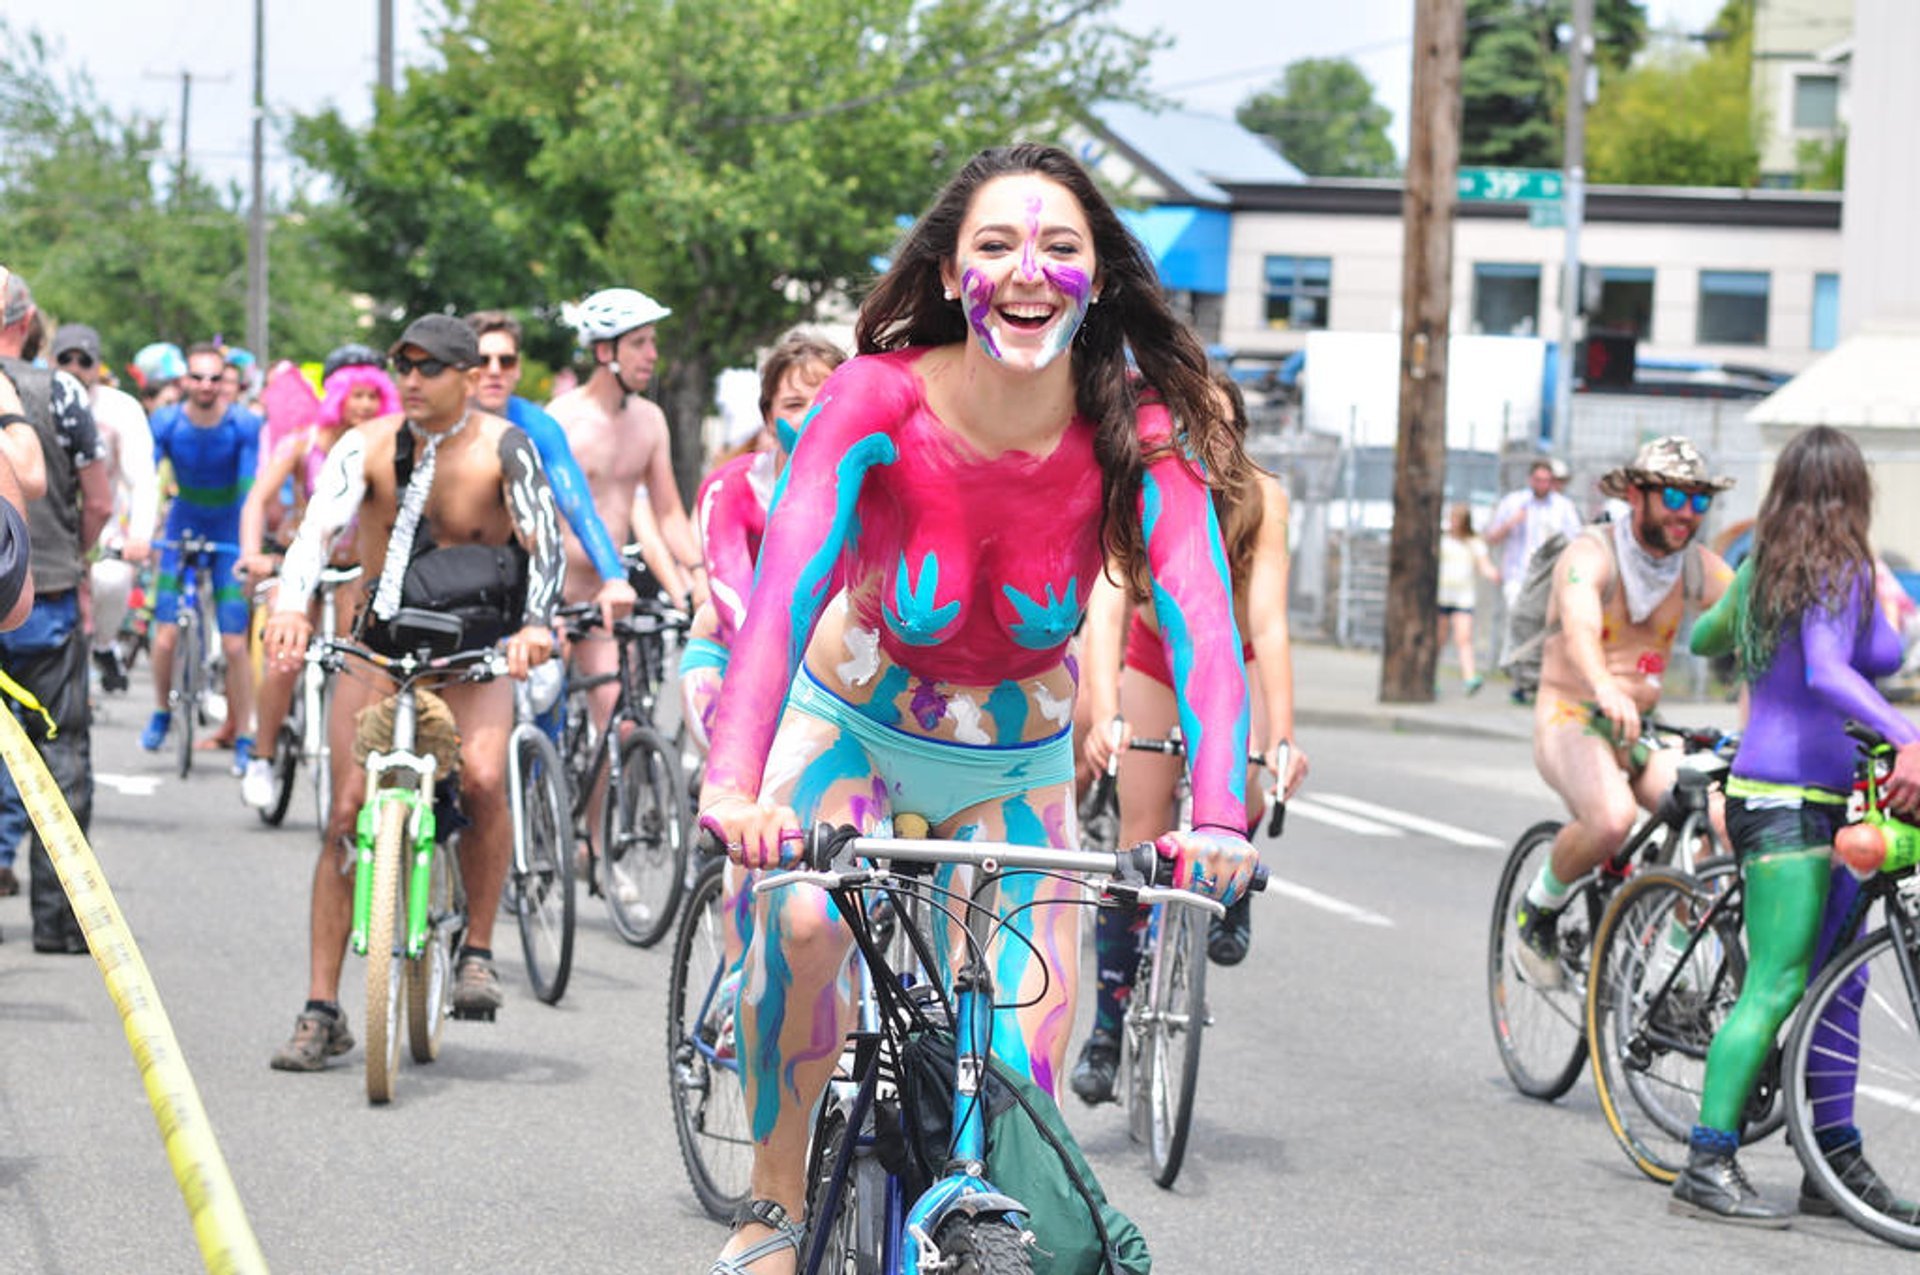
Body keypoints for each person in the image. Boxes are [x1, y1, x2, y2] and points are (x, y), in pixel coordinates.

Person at [696, 143, 1256, 1274]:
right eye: (996, 246)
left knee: (1012, 1061)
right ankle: (774, 1201)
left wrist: (1221, 817)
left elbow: (1200, 617)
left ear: (1096, 280)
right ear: (954, 277)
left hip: (1018, 763)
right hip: (853, 728)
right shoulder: (875, 398)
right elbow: (790, 582)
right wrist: (733, 779)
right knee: (802, 925)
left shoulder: (1138, 433)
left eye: (1061, 247)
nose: (1028, 270)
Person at [261, 314, 562, 1067]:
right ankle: (323, 1006)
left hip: (471, 658)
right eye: (405, 365)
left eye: (432, 368)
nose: (414, 380)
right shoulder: (363, 446)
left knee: (488, 780)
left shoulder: (505, 448)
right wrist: (294, 605)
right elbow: (313, 533)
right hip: (376, 648)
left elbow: (545, 544)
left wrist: (535, 626)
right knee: (344, 812)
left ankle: (479, 952)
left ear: (467, 376)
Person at [1672, 426, 1920, 1226]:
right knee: (1780, 981)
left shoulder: (1775, 568)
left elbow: (1710, 637)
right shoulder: (1830, 565)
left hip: (1825, 796)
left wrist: (1746, 608)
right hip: (1783, 797)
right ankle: (1707, 1159)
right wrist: (1909, 735)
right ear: (1855, 490)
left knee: (1840, 984)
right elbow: (1827, 667)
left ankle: (1831, 1159)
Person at [1067, 371, 1309, 1106]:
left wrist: (1286, 737)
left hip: (1226, 657)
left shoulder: (1263, 499)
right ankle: (1107, 1027)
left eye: (1221, 427)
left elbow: (1265, 624)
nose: (1204, 441)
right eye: (1190, 425)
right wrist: (1106, 714)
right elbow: (1106, 611)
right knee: (1140, 839)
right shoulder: (1141, 483)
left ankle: (1230, 884)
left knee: (1258, 780)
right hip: (1150, 661)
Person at [1512, 436, 1733, 989]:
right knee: (1611, 818)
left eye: (1699, 503)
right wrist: (1604, 686)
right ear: (1637, 494)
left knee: (1719, 815)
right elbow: (1582, 624)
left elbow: (1752, 618)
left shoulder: (1695, 568)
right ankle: (1537, 909)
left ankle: (1672, 970)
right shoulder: (1592, 553)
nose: (1687, 515)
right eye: (1674, 499)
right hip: (1573, 713)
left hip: (1642, 730)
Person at [0, 266, 112, 951]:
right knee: (58, 751)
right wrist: (77, 557)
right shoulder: (61, 392)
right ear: (27, 319)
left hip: (35, 590)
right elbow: (96, 500)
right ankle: (58, 918)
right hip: (42, 595)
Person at [234, 359, 399, 807]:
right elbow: (256, 501)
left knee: (359, 663)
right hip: (304, 563)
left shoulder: (387, 447)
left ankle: (355, 765)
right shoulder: (303, 443)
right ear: (338, 397)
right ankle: (263, 755)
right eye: (356, 395)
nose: (364, 406)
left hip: (354, 572)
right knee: (284, 660)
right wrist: (252, 554)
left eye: (372, 396)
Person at [679, 332, 847, 756]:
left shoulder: (876, 491)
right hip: (734, 657)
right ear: (769, 420)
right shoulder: (731, 488)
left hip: (837, 669)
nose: (812, 415)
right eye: (793, 405)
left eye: (826, 397)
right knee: (743, 785)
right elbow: (737, 605)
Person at [462, 310, 636, 632]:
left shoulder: (538, 427)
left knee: (549, 670)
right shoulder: (440, 424)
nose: (494, 371)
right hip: (450, 577)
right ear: (464, 367)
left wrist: (614, 577)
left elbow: (578, 508)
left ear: (518, 369)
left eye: (507, 361)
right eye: (483, 360)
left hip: (519, 580)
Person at [142, 343, 262, 771]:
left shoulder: (244, 424)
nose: (207, 386)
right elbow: (148, 480)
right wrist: (140, 531)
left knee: (234, 642)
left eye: (215, 378)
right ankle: (161, 709)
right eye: (198, 377)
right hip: (181, 526)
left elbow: (251, 488)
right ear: (184, 381)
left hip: (229, 530)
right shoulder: (167, 422)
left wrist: (250, 547)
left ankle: (245, 731)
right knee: (165, 635)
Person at [547, 287, 704, 608]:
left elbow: (669, 512)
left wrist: (699, 576)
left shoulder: (651, 420)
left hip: (611, 594)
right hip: (555, 594)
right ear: (604, 351)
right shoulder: (561, 419)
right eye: (638, 343)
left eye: (653, 342)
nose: (652, 355)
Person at [50, 324, 159, 694]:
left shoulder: (121, 409)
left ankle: (103, 644)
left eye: (85, 360)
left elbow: (142, 477)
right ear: (52, 361)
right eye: (66, 359)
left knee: (112, 578)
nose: (76, 367)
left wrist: (140, 535)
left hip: (103, 527)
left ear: (98, 366)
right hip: (48, 527)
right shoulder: (36, 397)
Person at [1486, 457, 1582, 701]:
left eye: (1547, 481)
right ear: (1531, 480)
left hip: (1550, 578)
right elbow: (1492, 536)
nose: (1542, 484)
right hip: (1519, 574)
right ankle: (1520, 679)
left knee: (1545, 629)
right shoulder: (1514, 503)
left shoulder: (1563, 507)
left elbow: (1577, 540)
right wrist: (1511, 523)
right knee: (1520, 623)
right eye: (1538, 480)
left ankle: (1539, 680)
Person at [1437, 502, 1498, 695]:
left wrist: (1493, 573)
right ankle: (1430, 677)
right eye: (1452, 518)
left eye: (1457, 519)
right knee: (1438, 640)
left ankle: (1470, 677)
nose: (1453, 522)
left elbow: (1484, 565)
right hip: (1441, 597)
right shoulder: (1443, 540)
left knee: (1463, 638)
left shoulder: (1474, 543)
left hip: (1463, 598)